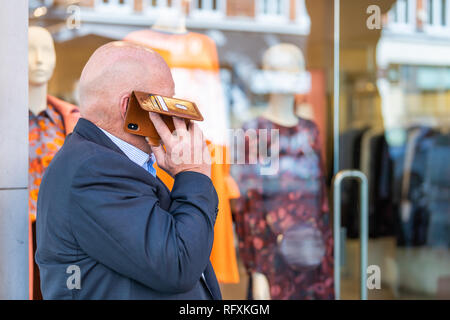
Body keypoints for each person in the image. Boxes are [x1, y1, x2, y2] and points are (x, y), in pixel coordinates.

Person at [35, 41, 221, 300]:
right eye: (166, 99)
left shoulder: (105, 161)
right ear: (129, 108)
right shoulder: (93, 171)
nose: (175, 110)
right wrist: (193, 175)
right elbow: (178, 263)